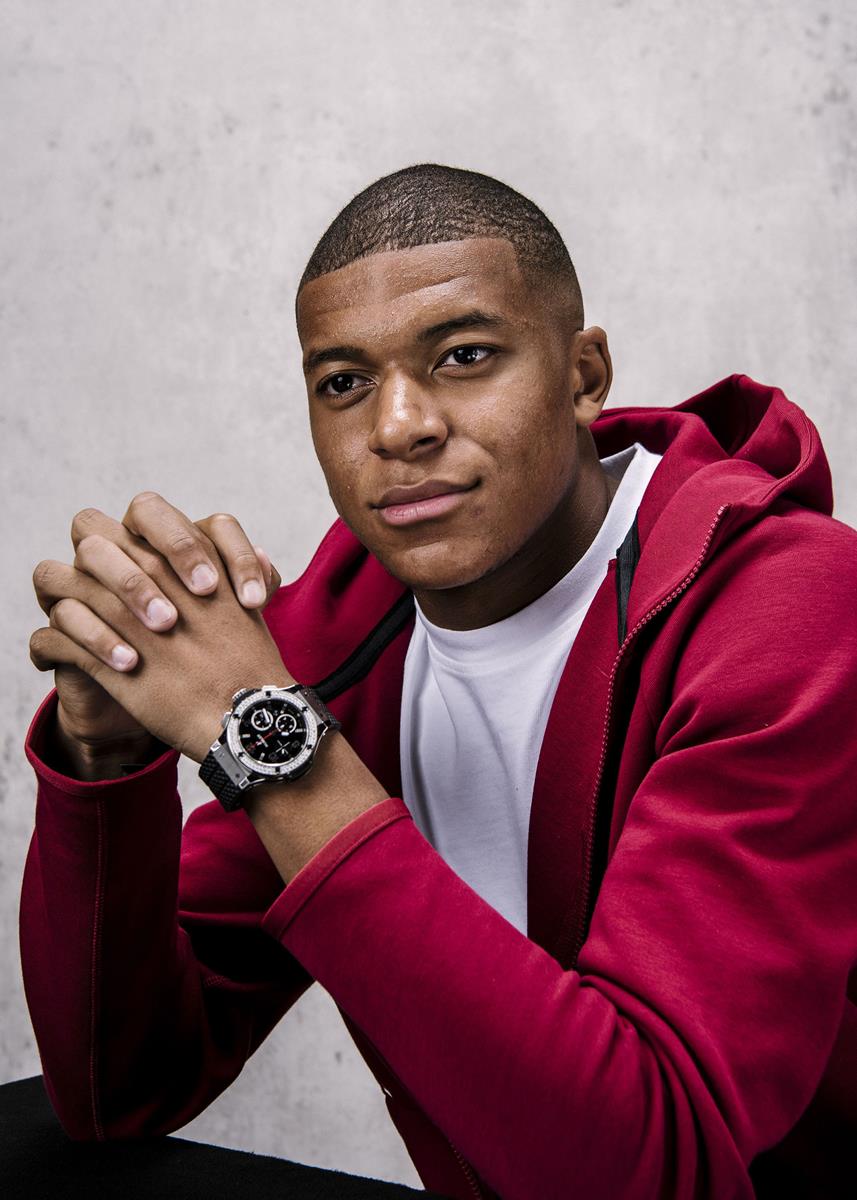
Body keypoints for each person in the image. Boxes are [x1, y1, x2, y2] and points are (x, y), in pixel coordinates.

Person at [21, 164, 857, 1200]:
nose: (399, 425)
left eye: (464, 356)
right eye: (343, 382)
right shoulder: (341, 633)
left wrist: (268, 734)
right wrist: (107, 763)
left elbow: (651, 1172)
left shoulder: (785, 608)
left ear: (582, 373)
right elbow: (120, 1090)